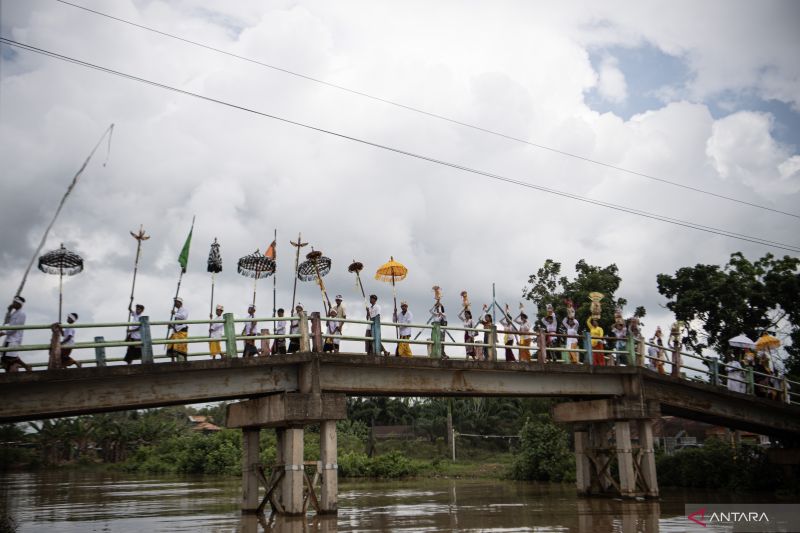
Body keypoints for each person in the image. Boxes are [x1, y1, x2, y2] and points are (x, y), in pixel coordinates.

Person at [0, 296, 32, 372]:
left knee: (10, 357)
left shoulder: (21, 314)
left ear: (19, 304)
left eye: (15, 303)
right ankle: (24, 367)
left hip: (14, 339)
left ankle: (26, 367)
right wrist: (9, 311)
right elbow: (7, 321)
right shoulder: (14, 313)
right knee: (5, 357)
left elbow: (15, 328)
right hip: (9, 338)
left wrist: (4, 333)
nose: (13, 304)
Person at [167, 297, 189, 362]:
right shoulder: (178, 311)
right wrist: (171, 326)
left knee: (180, 348)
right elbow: (177, 323)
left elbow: (183, 317)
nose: (175, 304)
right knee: (172, 347)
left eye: (176, 302)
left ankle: (182, 362)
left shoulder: (184, 310)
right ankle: (173, 362)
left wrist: (175, 313)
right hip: (176, 332)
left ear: (180, 303)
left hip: (182, 331)